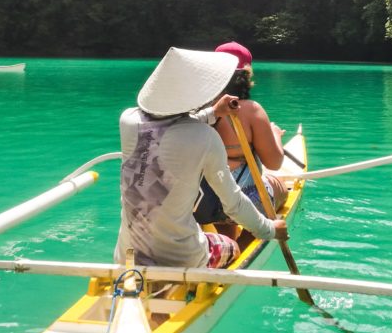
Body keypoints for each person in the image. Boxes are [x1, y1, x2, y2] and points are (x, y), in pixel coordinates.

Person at [115, 47, 288, 269]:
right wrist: (271, 229)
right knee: (231, 246)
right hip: (182, 256)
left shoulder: (128, 120)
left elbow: (170, 126)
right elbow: (233, 203)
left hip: (128, 255)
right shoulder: (204, 137)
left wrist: (214, 113)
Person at [193, 42, 287, 227]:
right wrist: (276, 135)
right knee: (280, 186)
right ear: (247, 73)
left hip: (202, 198)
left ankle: (225, 229)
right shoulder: (252, 110)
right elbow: (274, 163)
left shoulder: (198, 109)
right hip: (242, 200)